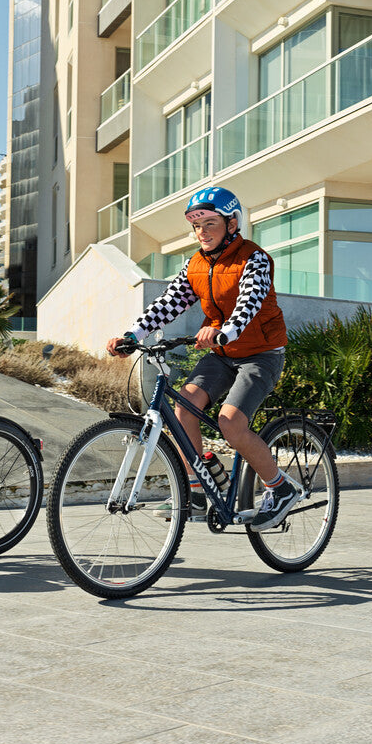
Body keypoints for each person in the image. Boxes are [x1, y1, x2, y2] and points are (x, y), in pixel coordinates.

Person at [105, 187, 299, 531]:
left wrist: (225, 330)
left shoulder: (253, 258)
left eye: (211, 223)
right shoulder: (196, 263)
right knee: (184, 410)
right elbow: (170, 302)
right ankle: (196, 491)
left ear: (232, 223)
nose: (203, 232)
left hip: (261, 353)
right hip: (222, 353)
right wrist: (133, 336)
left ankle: (280, 488)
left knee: (230, 423)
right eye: (197, 226)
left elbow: (250, 304)